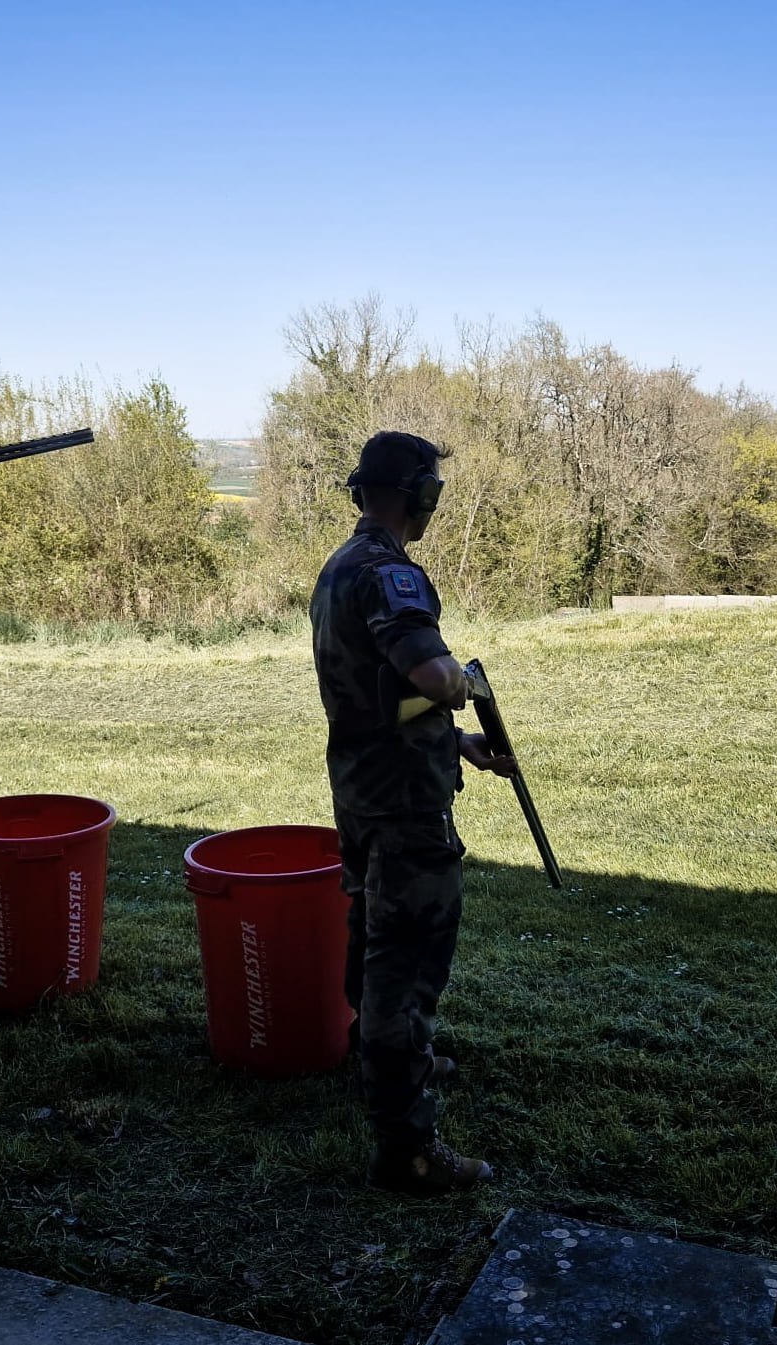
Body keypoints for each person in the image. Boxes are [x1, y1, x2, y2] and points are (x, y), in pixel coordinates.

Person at [309, 430, 516, 1195]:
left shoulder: (339, 567)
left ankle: (379, 1062)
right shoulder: (392, 574)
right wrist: (460, 683)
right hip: (403, 806)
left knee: (371, 935)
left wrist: (453, 736)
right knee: (407, 962)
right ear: (418, 493)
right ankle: (407, 1148)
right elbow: (429, 671)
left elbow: (377, 694)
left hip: (363, 789)